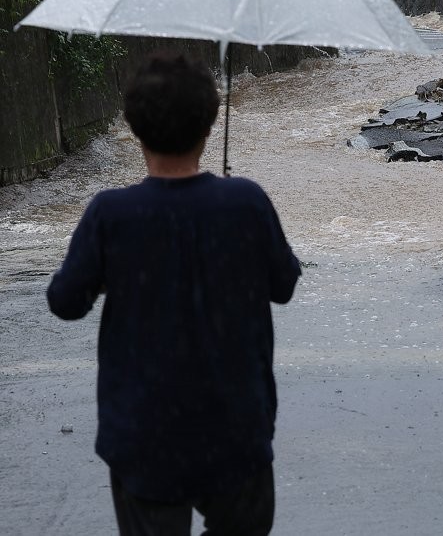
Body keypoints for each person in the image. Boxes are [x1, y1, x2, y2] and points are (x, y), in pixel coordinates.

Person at [47, 51, 301, 535]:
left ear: (134, 129)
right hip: (236, 430)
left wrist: (106, 275)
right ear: (209, 125)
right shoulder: (245, 202)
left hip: (144, 436)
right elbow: (283, 285)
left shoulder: (111, 214)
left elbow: (64, 302)